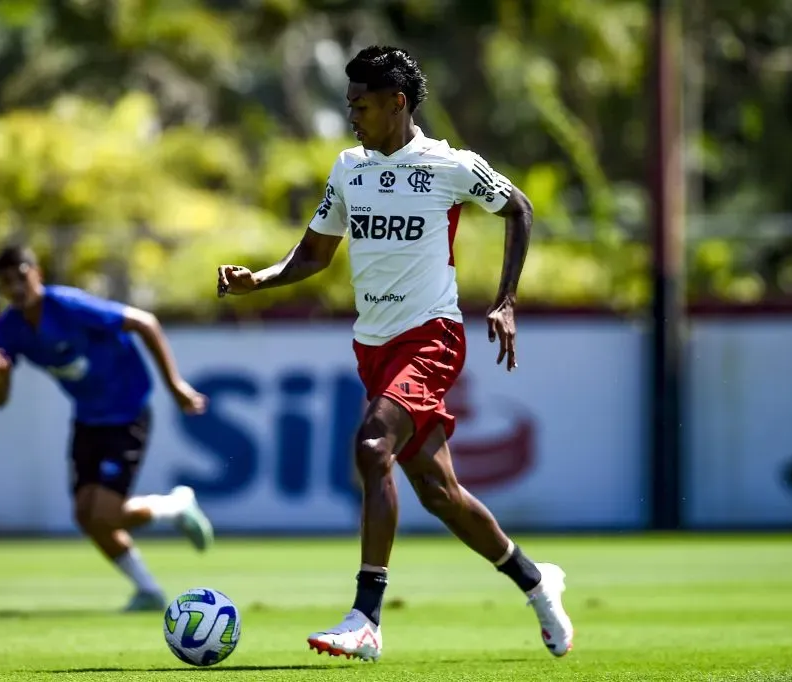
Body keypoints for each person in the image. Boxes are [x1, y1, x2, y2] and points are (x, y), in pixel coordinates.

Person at [216, 45, 573, 661]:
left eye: (360, 104)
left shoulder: (448, 165)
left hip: (431, 337)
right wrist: (260, 280)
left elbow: (519, 206)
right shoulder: (348, 168)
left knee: (371, 444)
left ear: (396, 103)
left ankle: (366, 620)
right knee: (439, 494)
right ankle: (537, 583)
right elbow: (314, 255)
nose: (351, 115)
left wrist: (505, 299)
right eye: (349, 104)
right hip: (374, 346)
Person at [0, 245, 214, 612]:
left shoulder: (69, 306)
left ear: (37, 273)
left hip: (126, 411)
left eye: (21, 276)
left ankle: (174, 506)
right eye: (5, 283)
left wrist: (175, 386)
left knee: (105, 513)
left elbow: (146, 323)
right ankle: (149, 592)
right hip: (88, 418)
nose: (15, 287)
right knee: (84, 515)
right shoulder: (8, 329)